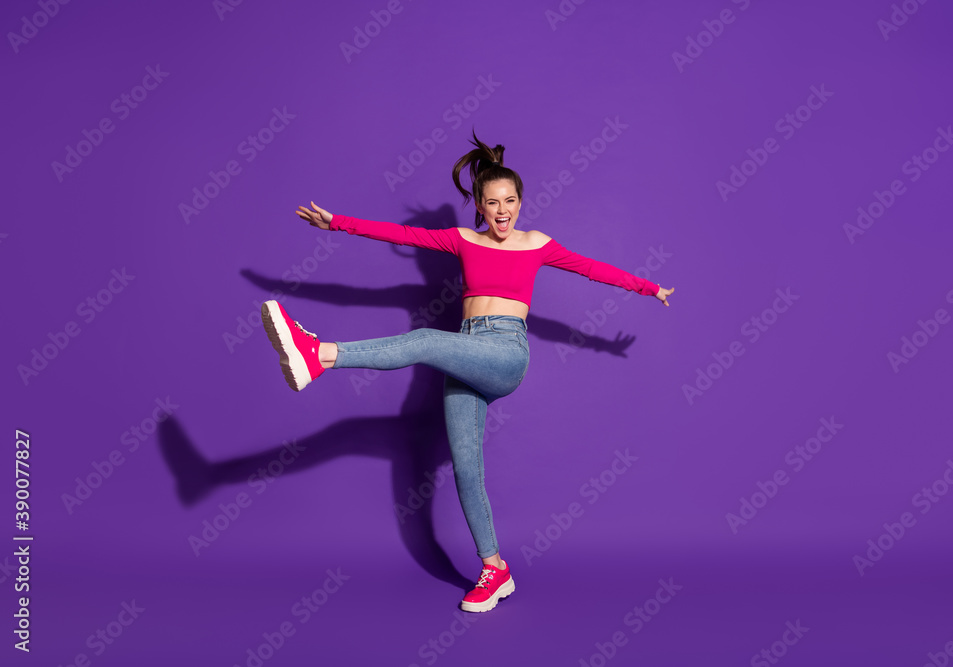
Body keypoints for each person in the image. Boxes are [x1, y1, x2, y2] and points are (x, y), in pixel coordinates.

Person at [260, 132, 674, 613]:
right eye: (493, 202)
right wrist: (338, 225)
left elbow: (591, 268)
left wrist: (649, 289)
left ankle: (318, 354)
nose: (503, 211)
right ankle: (494, 569)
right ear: (478, 204)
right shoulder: (463, 241)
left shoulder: (536, 244)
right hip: (466, 351)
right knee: (466, 471)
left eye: (511, 201)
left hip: (504, 353)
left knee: (421, 341)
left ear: (521, 203)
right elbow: (401, 234)